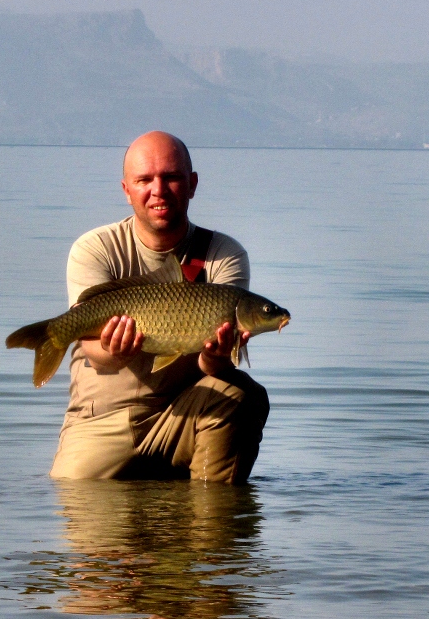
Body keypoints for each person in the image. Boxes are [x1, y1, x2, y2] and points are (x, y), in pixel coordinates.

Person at [49, 131, 269, 483]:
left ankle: (213, 522)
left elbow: (213, 368)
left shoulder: (224, 255)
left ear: (192, 184)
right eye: (144, 180)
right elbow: (91, 350)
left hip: (183, 420)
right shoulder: (95, 248)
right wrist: (114, 350)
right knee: (82, 515)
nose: (159, 190)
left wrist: (215, 355)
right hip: (102, 423)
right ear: (126, 189)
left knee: (243, 394)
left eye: (171, 178)